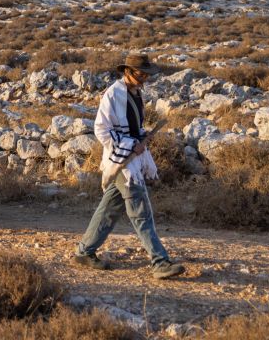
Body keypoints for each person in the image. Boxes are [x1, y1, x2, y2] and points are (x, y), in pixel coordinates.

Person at [73, 53, 185, 279]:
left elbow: (133, 128)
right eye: (140, 74)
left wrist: (139, 139)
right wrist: (129, 146)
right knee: (140, 211)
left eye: (146, 74)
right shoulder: (113, 94)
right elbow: (101, 130)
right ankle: (160, 261)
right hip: (123, 162)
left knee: (109, 209)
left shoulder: (135, 93)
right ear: (127, 72)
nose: (144, 78)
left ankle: (84, 252)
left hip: (130, 158)